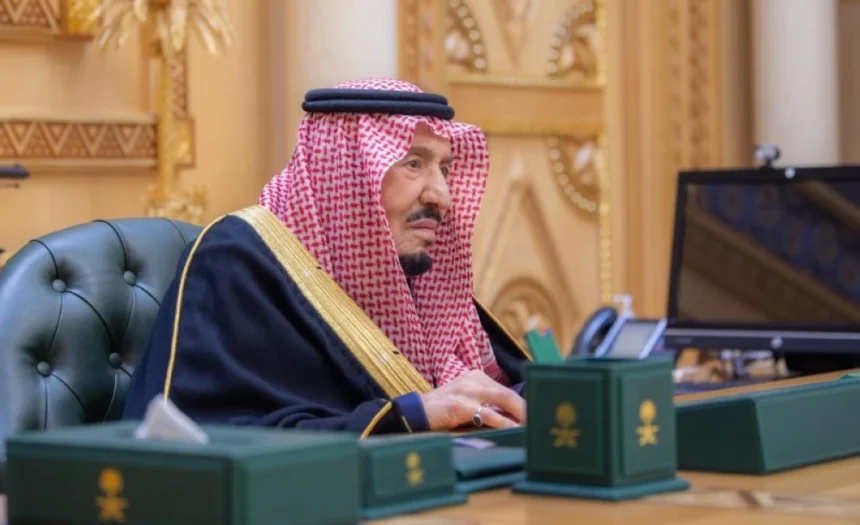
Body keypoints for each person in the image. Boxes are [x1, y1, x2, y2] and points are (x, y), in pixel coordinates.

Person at [123, 78, 530, 436]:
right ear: (349, 170)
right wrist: (411, 414)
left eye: (445, 168)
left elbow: (503, 386)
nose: (441, 195)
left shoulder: (415, 272)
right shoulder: (236, 262)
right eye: (414, 164)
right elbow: (212, 437)